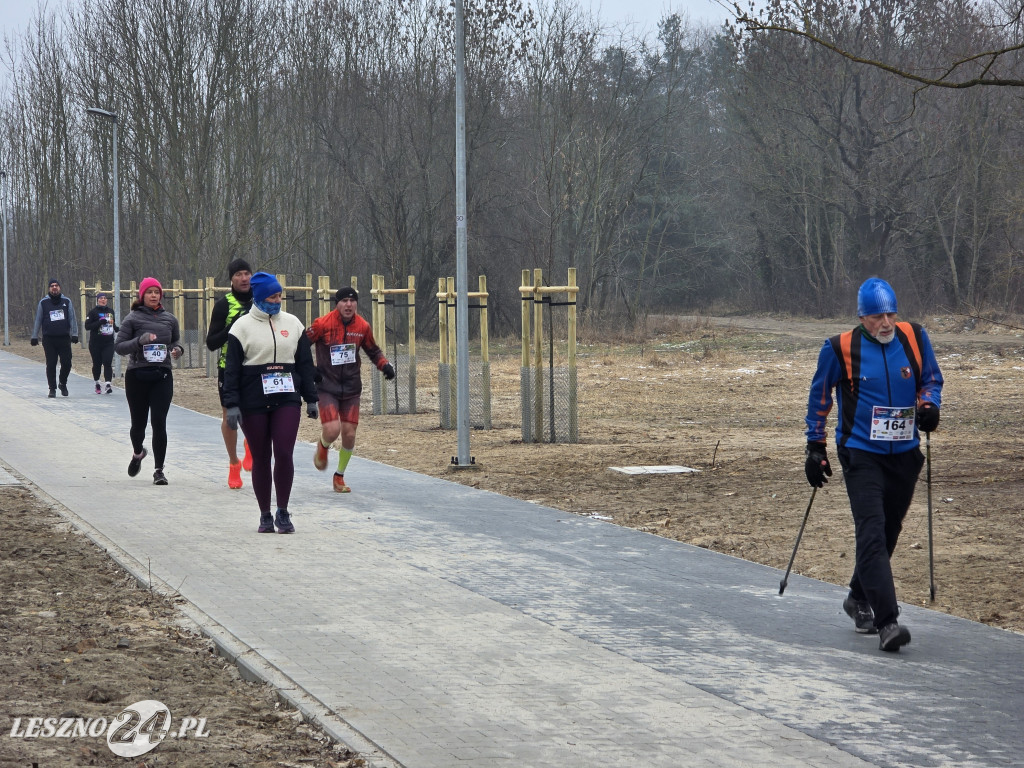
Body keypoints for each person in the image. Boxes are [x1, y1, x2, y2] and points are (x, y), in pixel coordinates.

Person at [804, 277, 943, 653]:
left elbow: (930, 380)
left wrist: (930, 405)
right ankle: (887, 622)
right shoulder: (838, 348)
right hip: (861, 453)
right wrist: (814, 447)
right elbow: (819, 397)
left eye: (890, 313)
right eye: (877, 316)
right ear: (862, 318)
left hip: (905, 454)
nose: (886, 323)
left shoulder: (914, 337)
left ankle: (856, 597)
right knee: (871, 529)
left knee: (888, 531)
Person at [222, 272, 318, 533]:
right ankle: (265, 513)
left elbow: (305, 364)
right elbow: (231, 371)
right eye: (273, 296)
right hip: (253, 399)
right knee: (262, 457)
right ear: (260, 296)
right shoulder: (241, 328)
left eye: (280, 295)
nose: (278, 300)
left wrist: (311, 398)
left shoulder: (293, 323)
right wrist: (231, 404)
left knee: (284, 452)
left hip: (287, 397)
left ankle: (283, 511)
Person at [306, 286, 394, 493]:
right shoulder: (322, 324)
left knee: (349, 434)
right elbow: (301, 345)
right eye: (344, 301)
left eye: (352, 301)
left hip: (352, 388)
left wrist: (385, 365)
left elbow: (373, 350)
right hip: (327, 386)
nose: (348, 305)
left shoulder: (362, 326)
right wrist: (310, 370)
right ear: (337, 304)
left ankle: (339, 476)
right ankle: (323, 445)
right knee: (332, 430)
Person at [115, 278, 184, 486]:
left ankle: (159, 470)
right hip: (137, 376)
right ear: (142, 295)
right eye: (149, 292)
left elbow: (176, 342)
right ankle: (138, 453)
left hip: (162, 375)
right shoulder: (132, 319)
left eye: (157, 292)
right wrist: (139, 341)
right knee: (139, 425)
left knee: (159, 423)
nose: (154, 295)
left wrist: (178, 350)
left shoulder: (170, 319)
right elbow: (119, 347)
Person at [205, 258, 254, 489]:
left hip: (256, 365)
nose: (244, 278)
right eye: (239, 275)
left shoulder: (261, 300)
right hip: (229, 368)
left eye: (247, 273)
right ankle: (234, 463)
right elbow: (211, 343)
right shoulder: (224, 304)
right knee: (230, 418)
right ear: (231, 279)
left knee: (254, 414)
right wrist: (230, 327)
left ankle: (251, 444)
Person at [31, 278, 79, 397]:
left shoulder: (66, 301)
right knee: (51, 364)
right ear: (49, 288)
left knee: (67, 363)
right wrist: (34, 336)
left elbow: (72, 318)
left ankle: (62, 383)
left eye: (56, 285)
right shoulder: (43, 302)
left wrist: (74, 334)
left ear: (59, 288)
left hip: (64, 338)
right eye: (52, 286)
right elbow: (38, 319)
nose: (54, 287)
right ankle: (52, 388)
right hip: (49, 339)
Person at [84, 292, 117, 394]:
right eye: (101, 298)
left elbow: (113, 324)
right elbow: (87, 326)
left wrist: (117, 329)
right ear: (97, 300)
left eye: (105, 298)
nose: (103, 300)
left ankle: (108, 384)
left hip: (108, 342)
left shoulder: (111, 311)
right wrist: (99, 322)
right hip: (95, 343)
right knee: (97, 364)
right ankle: (97, 383)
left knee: (107, 362)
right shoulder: (93, 312)